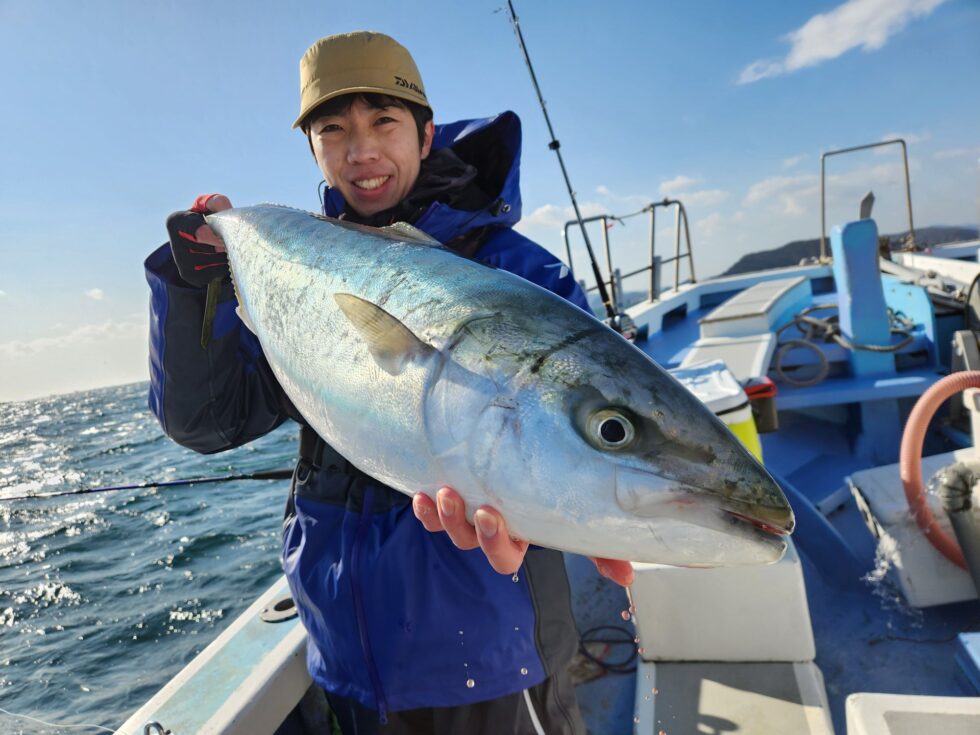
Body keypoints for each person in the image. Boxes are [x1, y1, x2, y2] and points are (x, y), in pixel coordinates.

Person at [145, 30, 632, 734]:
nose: (361, 150)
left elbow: (574, 437)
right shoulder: (298, 272)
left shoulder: (520, 275)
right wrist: (197, 290)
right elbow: (210, 422)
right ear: (314, 148)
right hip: (344, 654)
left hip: (493, 659)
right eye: (333, 129)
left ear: (425, 133)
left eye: (384, 122)